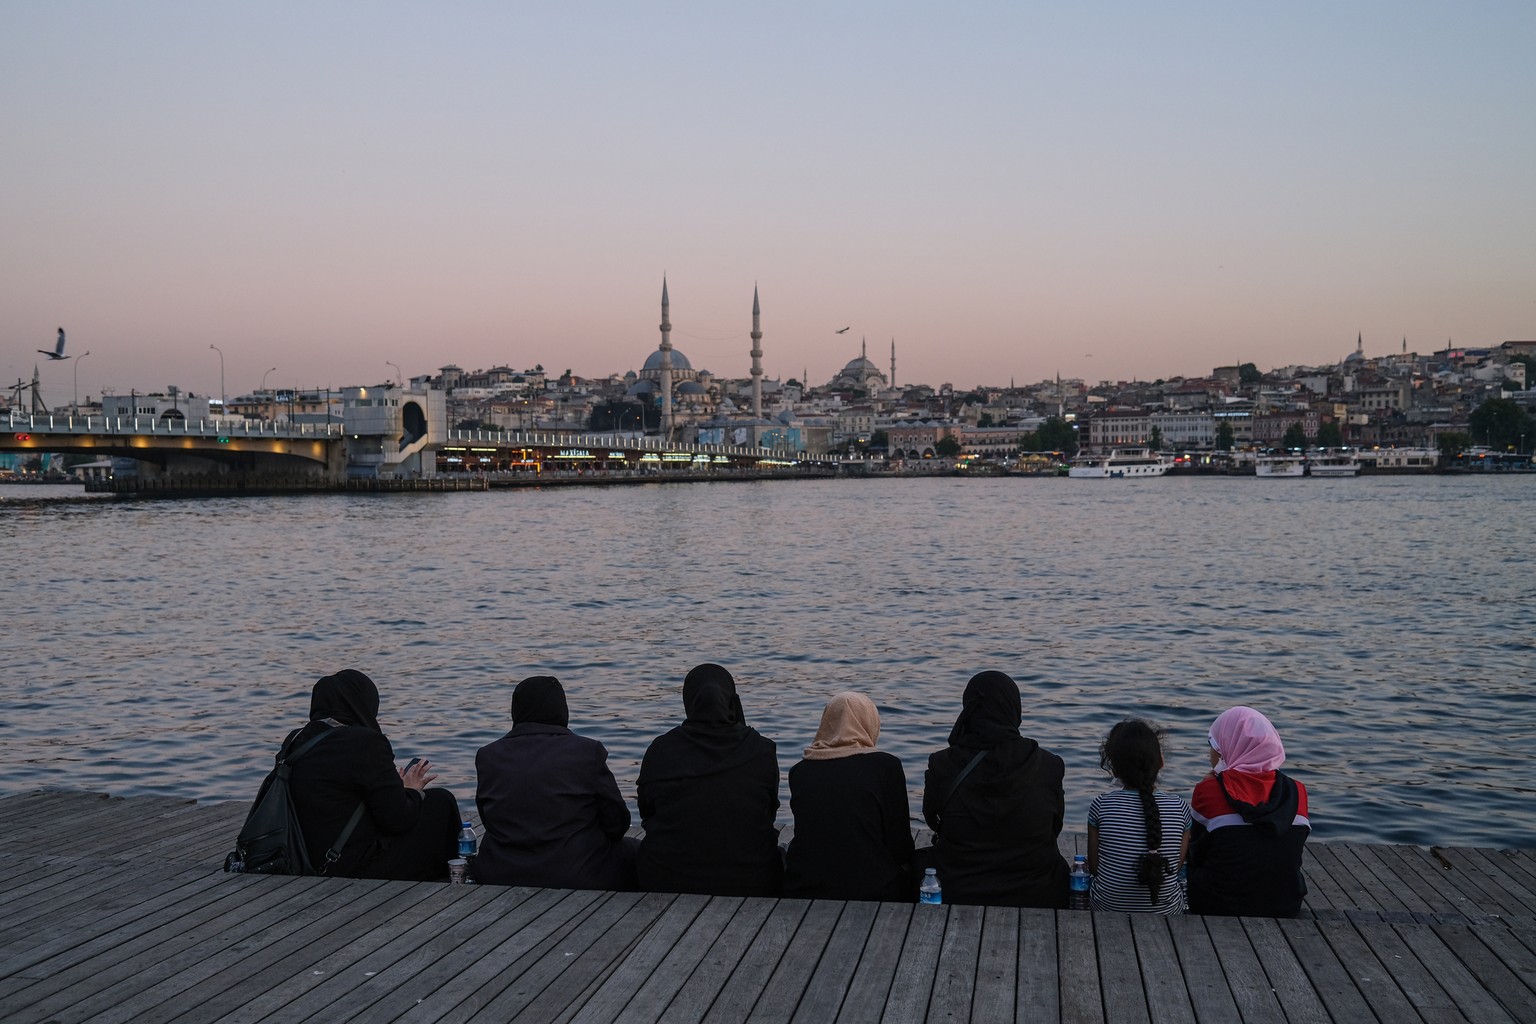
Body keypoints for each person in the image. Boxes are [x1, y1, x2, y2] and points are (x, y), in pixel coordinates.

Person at [286, 669, 461, 881]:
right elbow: (397, 819)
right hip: (345, 867)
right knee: (440, 802)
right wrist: (410, 791)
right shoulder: (365, 743)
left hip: (296, 858)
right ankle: (456, 876)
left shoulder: (295, 741)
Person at [474, 675, 638, 890]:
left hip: (499, 873)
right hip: (577, 873)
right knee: (635, 850)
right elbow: (617, 822)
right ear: (562, 709)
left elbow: (488, 818)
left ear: (516, 710)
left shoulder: (488, 755)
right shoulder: (587, 751)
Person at [922, 671, 1068, 908]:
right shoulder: (1048, 764)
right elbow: (1055, 825)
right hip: (1038, 891)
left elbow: (932, 819)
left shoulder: (942, 763)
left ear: (968, 707)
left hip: (957, 888)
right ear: (1014, 707)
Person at [636, 663, 782, 897]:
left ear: (689, 701)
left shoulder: (661, 750)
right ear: (731, 700)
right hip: (752, 880)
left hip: (665, 879)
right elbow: (768, 813)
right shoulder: (760, 749)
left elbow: (647, 811)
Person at [783, 692, 914, 901]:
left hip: (805, 885)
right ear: (869, 722)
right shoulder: (886, 766)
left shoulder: (800, 770)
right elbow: (900, 846)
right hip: (875, 888)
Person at [1186, 706, 1311, 917]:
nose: (1210, 753)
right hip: (1286, 905)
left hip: (1217, 906)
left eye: (1213, 745)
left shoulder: (1208, 791)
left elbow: (1196, 853)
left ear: (1227, 748)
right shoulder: (1297, 791)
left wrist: (1211, 785)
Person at [1086, 719, 1191, 914]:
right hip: (1167, 912)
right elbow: (1174, 869)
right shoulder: (1179, 807)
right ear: (1161, 762)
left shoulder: (1101, 805)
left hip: (1106, 908)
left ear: (1114, 768)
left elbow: (1094, 869)